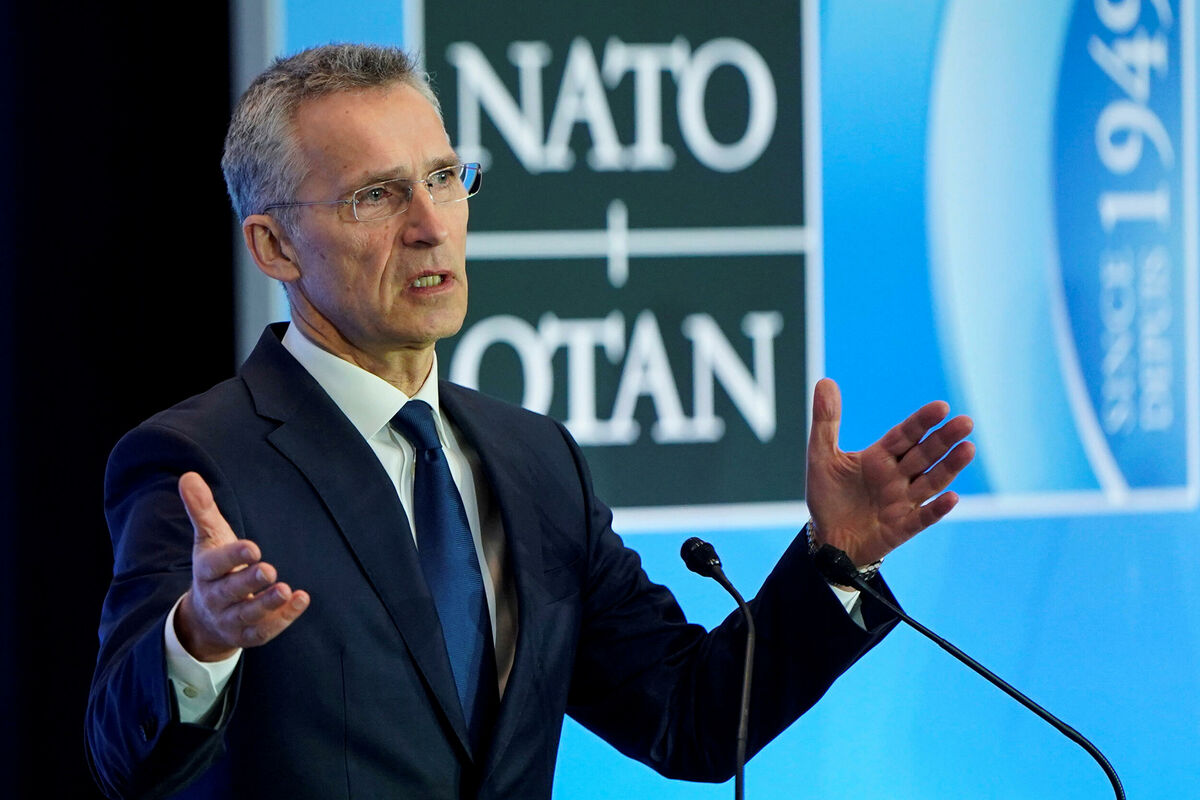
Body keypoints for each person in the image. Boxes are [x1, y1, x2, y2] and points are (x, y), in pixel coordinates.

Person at [85, 44, 975, 800]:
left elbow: (690, 718)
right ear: (274, 245)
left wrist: (835, 557)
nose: (431, 225)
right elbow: (123, 757)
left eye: (443, 178)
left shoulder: (534, 460)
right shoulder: (200, 463)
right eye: (376, 196)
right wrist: (198, 640)